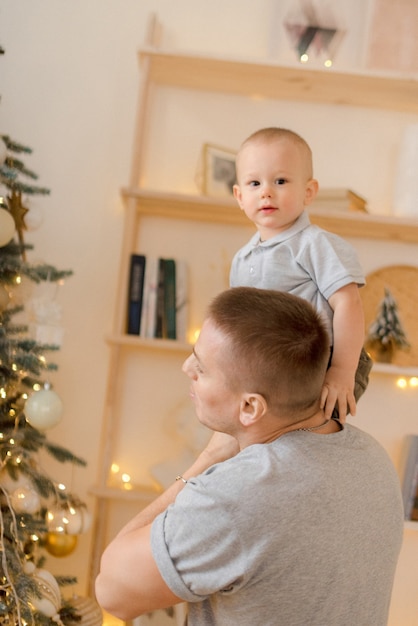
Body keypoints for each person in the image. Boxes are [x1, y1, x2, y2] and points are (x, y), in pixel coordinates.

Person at [95, 287, 403, 626]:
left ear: (249, 407)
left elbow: (112, 591)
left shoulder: (237, 494)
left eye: (201, 367)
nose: (187, 368)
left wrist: (209, 457)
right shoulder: (373, 459)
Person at [231, 127, 372, 422]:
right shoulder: (242, 259)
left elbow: (349, 304)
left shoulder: (315, 245)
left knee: (305, 437)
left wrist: (341, 371)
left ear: (308, 192)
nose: (266, 191)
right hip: (273, 364)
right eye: (254, 183)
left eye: (280, 181)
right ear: (240, 196)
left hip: (322, 360)